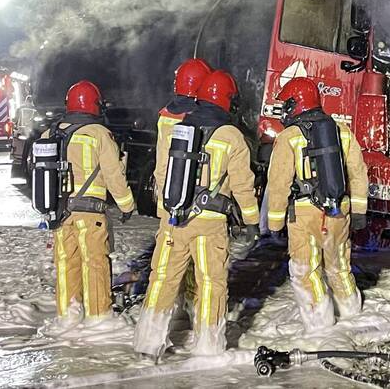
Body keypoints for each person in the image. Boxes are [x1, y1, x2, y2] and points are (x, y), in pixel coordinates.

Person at [134, 70, 260, 357]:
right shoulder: (232, 136)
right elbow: (243, 185)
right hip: (210, 224)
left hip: (175, 219)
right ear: (228, 100)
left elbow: (162, 172)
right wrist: (251, 221)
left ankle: (148, 343)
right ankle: (208, 346)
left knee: (163, 279)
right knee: (211, 283)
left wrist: (167, 210)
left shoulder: (180, 127)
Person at [265, 77, 368, 332]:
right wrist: (359, 212)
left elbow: (278, 184)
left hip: (304, 214)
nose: (285, 110)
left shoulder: (288, 137)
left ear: (297, 104)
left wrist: (275, 223)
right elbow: (358, 173)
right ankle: (353, 317)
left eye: (287, 105)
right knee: (339, 266)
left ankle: (320, 328)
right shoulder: (342, 130)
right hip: (339, 210)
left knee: (306, 271)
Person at [49, 80, 136, 321]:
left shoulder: (52, 133)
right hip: (90, 214)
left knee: (66, 264)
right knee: (95, 264)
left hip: (60, 213)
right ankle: (99, 319)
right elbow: (113, 174)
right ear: (94, 104)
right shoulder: (99, 134)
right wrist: (126, 205)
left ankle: (67, 317)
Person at [154, 58, 212, 219]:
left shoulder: (166, 115)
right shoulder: (202, 118)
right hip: (192, 201)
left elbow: (163, 162)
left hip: (166, 196)